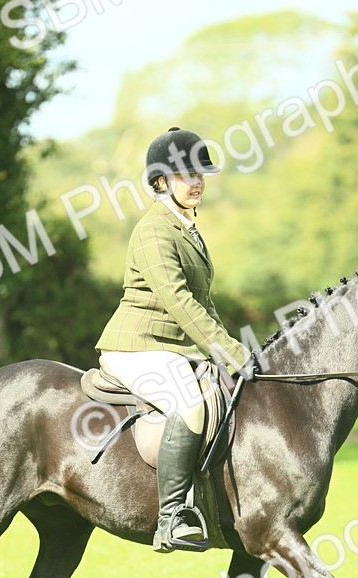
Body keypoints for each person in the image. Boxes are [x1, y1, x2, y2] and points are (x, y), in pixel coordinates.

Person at [95, 127, 251, 554]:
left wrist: (235, 350)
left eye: (201, 173)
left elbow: (204, 302)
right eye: (187, 174)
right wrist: (227, 351)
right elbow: (179, 302)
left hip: (170, 348)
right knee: (190, 403)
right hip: (137, 346)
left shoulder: (187, 229)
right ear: (161, 181)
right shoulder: (154, 231)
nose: (197, 181)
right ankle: (172, 518)